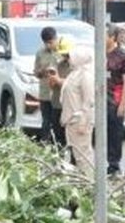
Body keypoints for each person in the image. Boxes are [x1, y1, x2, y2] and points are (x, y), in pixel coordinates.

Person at [59, 44, 96, 175]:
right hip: (71, 120)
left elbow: (89, 101)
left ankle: (90, 183)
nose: (68, 60)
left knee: (83, 155)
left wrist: (83, 122)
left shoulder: (86, 75)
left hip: (79, 121)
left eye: (71, 57)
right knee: (76, 154)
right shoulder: (75, 73)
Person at [105, 24, 125, 176]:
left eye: (104, 36)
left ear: (112, 37)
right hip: (100, 99)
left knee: (115, 134)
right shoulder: (98, 54)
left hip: (115, 100)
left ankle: (114, 165)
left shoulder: (123, 57)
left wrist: (123, 103)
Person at [33, 26, 62, 145]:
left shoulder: (63, 51)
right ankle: (45, 144)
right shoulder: (40, 53)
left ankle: (59, 146)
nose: (49, 45)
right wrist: (42, 71)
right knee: (46, 121)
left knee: (57, 122)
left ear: (56, 38)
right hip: (45, 93)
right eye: (47, 43)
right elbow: (36, 72)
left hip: (58, 93)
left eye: (51, 42)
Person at [46, 36, 73, 150]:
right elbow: (52, 85)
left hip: (70, 105)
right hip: (57, 103)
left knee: (71, 137)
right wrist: (52, 78)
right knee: (57, 135)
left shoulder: (76, 66)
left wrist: (59, 80)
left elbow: (73, 84)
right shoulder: (59, 64)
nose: (65, 56)